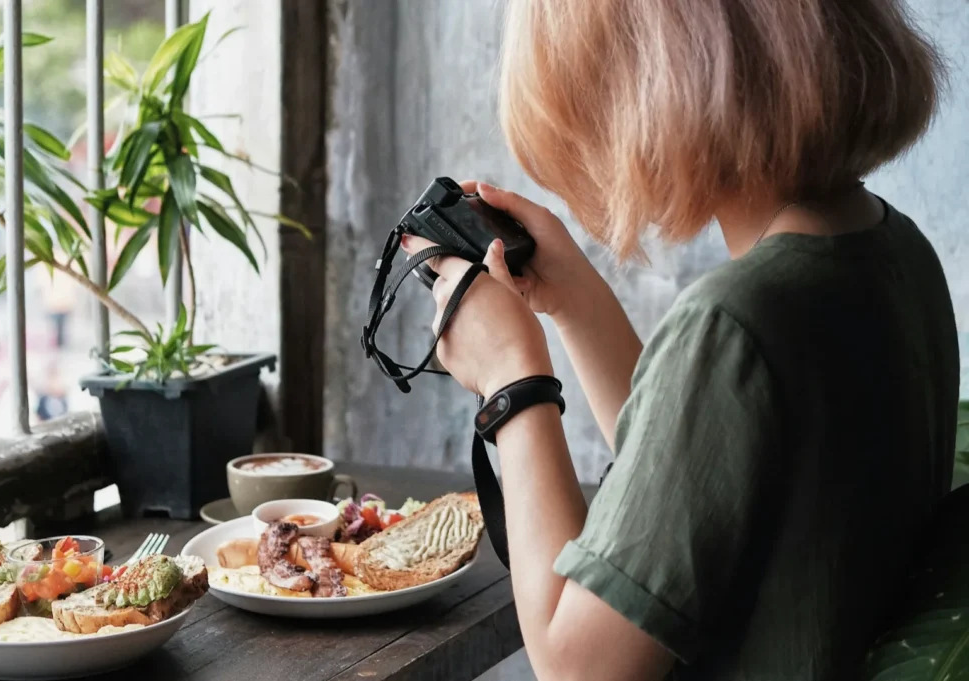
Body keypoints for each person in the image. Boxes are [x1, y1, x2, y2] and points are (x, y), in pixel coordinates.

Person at [402, 1, 957, 679]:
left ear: (652, 92)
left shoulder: (736, 321)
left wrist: (513, 385)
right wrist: (577, 301)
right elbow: (695, 474)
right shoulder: (894, 252)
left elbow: (578, 668)